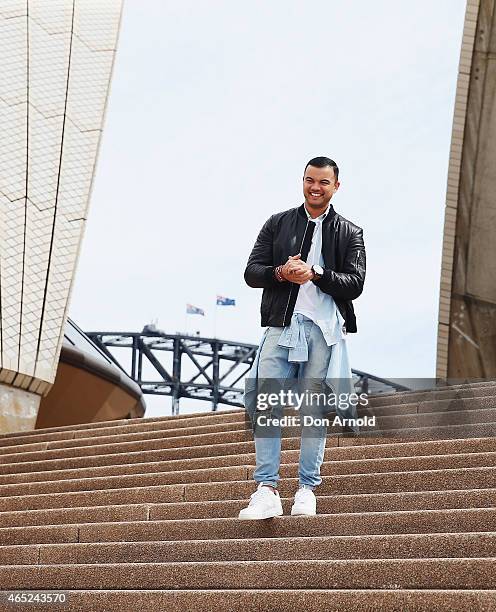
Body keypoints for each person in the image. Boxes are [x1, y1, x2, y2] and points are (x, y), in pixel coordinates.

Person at [239, 156, 366, 520]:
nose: (315, 187)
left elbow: (355, 284)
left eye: (323, 182)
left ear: (335, 186)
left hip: (324, 329)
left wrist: (316, 274)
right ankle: (266, 489)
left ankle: (307, 489)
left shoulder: (350, 232)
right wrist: (281, 272)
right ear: (303, 181)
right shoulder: (278, 223)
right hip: (281, 325)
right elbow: (252, 272)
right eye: (310, 180)